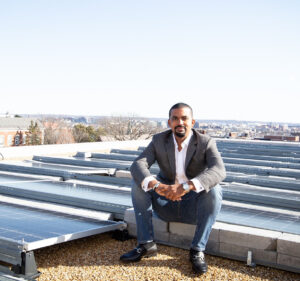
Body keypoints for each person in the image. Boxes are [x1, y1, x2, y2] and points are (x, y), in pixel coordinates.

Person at [120, 102, 226, 274]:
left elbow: (219, 170)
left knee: (214, 189)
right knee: (139, 183)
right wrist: (157, 186)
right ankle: (146, 244)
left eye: (184, 118)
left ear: (192, 122)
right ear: (169, 123)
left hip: (193, 206)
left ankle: (197, 250)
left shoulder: (206, 142)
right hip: (165, 203)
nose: (180, 122)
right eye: (175, 118)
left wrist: (186, 186)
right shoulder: (159, 140)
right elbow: (138, 164)